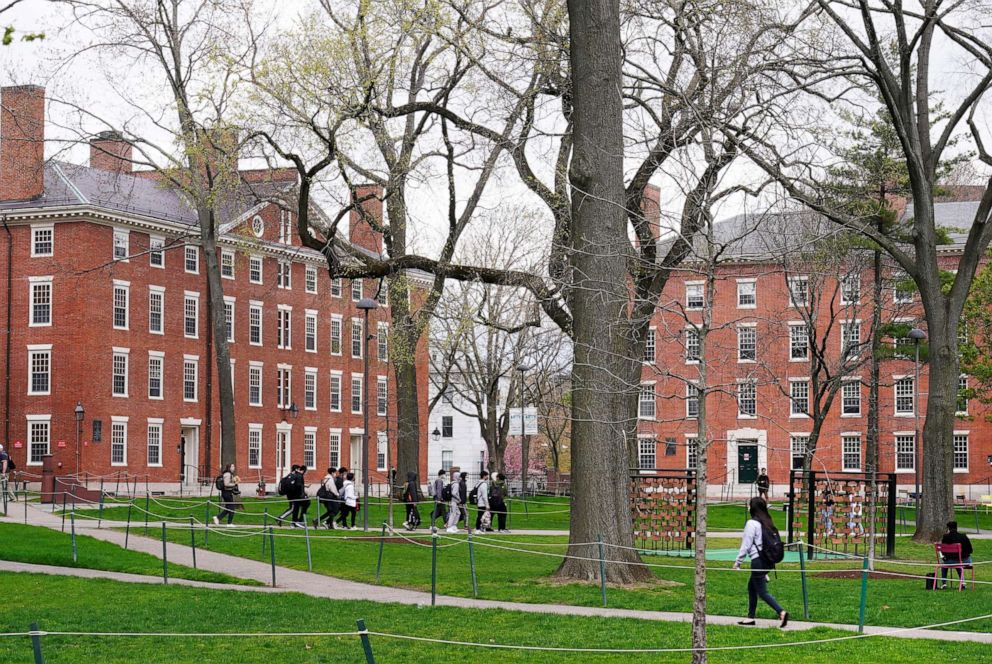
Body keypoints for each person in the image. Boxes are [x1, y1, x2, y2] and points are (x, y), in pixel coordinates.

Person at [733, 497, 788, 628]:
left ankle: (781, 612)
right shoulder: (768, 522)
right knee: (752, 587)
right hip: (768, 561)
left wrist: (738, 562)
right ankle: (750, 617)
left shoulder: (752, 523)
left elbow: (746, 545)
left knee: (762, 591)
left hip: (758, 561)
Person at [940, 521, 974, 589]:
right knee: (959, 563)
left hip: (950, 561)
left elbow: (943, 551)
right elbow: (970, 550)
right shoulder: (963, 536)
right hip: (964, 561)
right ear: (956, 527)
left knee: (944, 564)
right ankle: (962, 583)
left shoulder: (945, 537)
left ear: (948, 528)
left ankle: (944, 583)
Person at [445, 468, 462, 533]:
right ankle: (449, 527)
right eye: (459, 477)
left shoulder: (453, 483)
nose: (460, 478)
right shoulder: (456, 484)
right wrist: (459, 499)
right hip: (453, 501)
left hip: (454, 501)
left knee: (458, 513)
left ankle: (454, 525)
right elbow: (454, 493)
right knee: (453, 513)